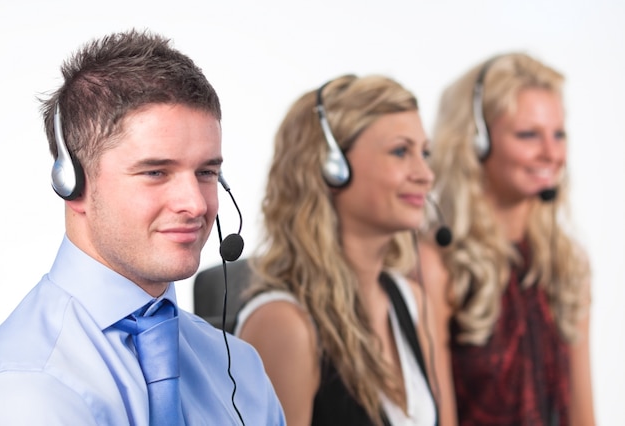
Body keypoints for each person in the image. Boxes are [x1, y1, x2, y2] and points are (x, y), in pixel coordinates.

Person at [0, 29, 285, 426]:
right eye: (155, 172)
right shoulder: (26, 387)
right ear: (72, 183)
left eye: (206, 172)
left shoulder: (240, 369)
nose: (196, 204)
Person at [234, 74, 454, 426]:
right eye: (401, 151)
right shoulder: (285, 325)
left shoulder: (411, 301)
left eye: (423, 153)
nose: (426, 174)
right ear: (331, 168)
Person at [419, 53, 595, 425]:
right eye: (528, 134)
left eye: (558, 134)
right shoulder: (438, 263)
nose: (551, 153)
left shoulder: (566, 261)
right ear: (477, 141)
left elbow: (583, 414)